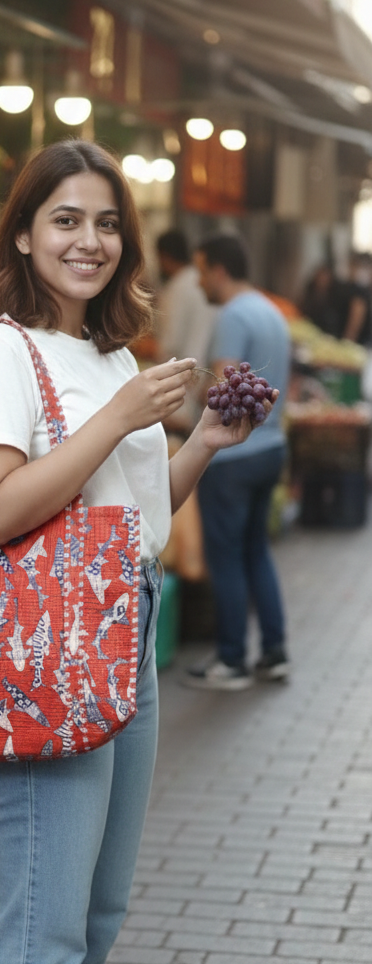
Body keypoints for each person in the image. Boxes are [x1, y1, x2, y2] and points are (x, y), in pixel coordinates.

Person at [0, 140, 278, 964]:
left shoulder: (104, 352)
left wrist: (197, 443)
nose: (87, 240)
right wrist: (123, 411)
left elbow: (125, 518)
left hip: (119, 639)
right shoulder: (0, 352)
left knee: (95, 916)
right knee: (37, 928)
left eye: (104, 223)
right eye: (63, 220)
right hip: (46, 661)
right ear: (24, 233)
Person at [187, 232, 290, 691]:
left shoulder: (231, 314)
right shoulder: (271, 309)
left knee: (226, 558)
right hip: (272, 449)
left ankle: (231, 660)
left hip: (235, 457)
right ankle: (274, 652)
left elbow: (225, 388)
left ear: (220, 270)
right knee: (257, 552)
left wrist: (187, 391)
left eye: (202, 269)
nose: (199, 280)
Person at [156, 227, 214, 369]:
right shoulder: (203, 280)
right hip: (209, 371)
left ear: (164, 256)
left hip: (183, 374)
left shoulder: (175, 289)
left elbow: (171, 342)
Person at [301, 261, 348, 338]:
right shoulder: (309, 292)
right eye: (320, 276)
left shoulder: (336, 297)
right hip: (309, 333)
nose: (322, 279)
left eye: (325, 276)